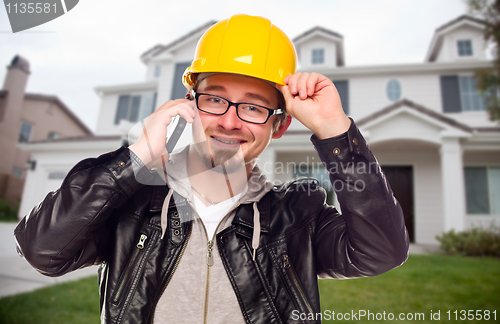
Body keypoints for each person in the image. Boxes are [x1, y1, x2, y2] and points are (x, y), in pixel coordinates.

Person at [14, 14, 409, 324]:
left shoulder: (297, 218)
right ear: (190, 103)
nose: (230, 121)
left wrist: (336, 132)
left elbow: (381, 252)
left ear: (280, 124)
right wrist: (133, 160)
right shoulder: (131, 203)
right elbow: (41, 250)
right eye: (214, 100)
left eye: (253, 107)